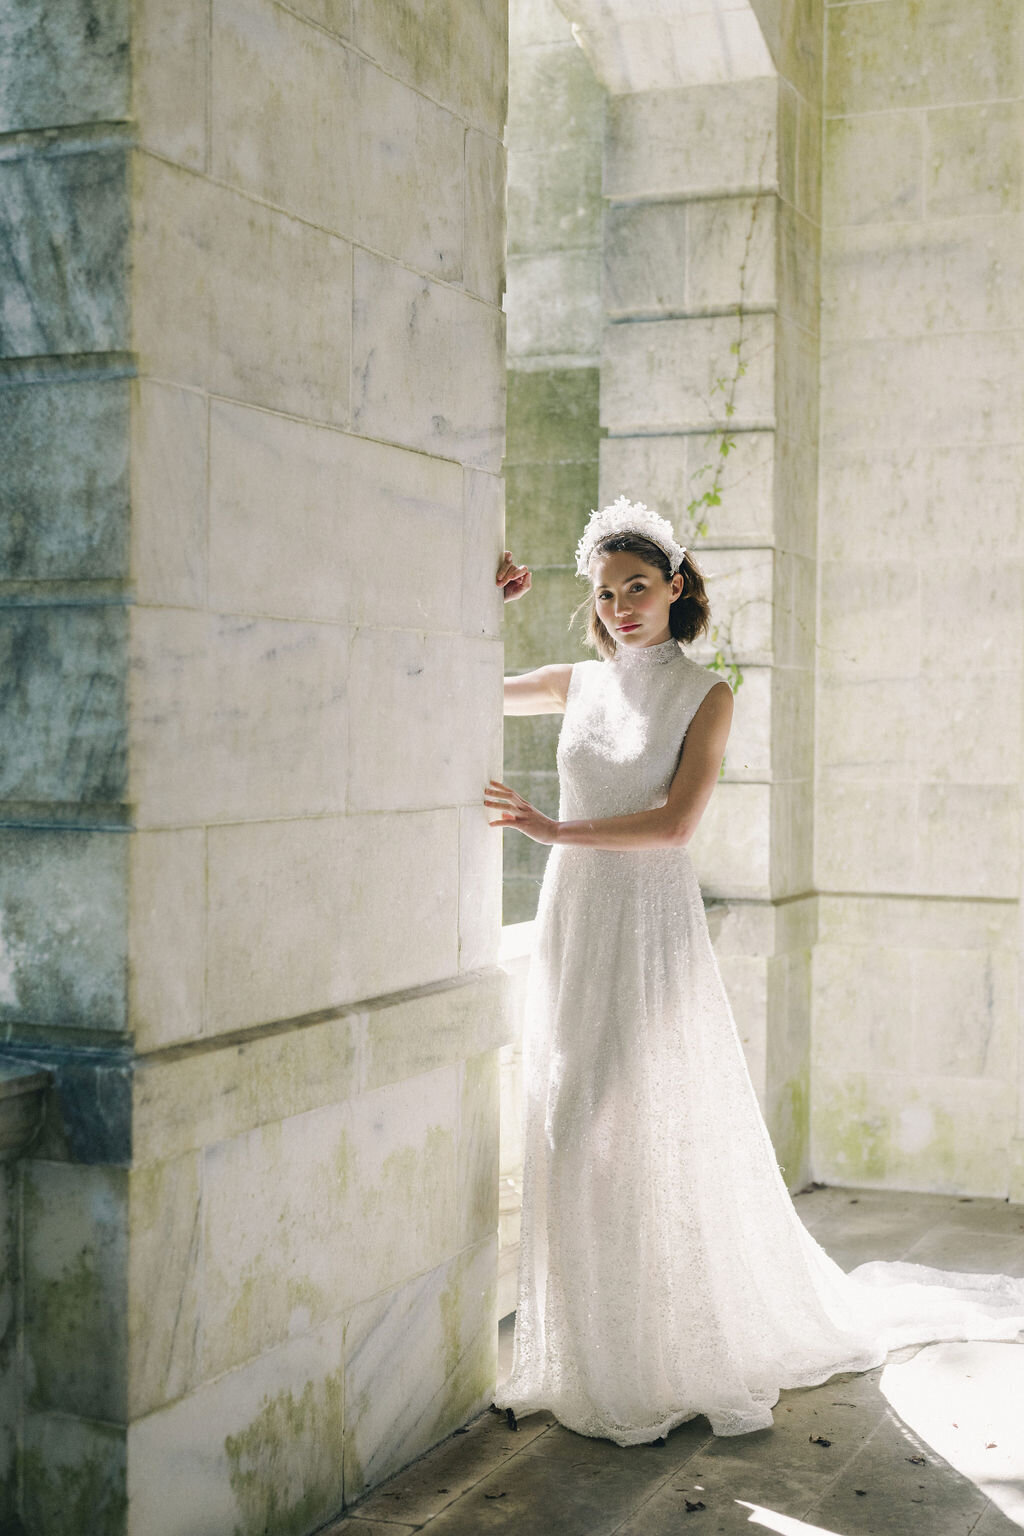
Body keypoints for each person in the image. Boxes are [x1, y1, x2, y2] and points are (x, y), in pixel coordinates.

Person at [484, 495, 1024, 1447]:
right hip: (575, 920)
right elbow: (464, 685)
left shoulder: (707, 694)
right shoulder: (577, 682)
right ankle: (592, 1356)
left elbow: (675, 827)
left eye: (638, 587)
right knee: (567, 1128)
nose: (619, 606)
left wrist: (548, 827)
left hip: (648, 930)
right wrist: (480, 587)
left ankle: (661, 1355)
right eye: (605, 593)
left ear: (676, 586)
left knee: (624, 1127)